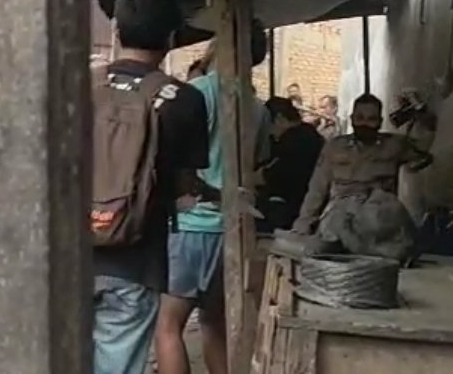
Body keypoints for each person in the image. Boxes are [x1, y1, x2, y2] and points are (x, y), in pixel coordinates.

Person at [93, 0, 209, 374]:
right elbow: (185, 188)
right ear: (172, 38)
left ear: (116, 31)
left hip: (63, 257)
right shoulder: (184, 100)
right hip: (135, 262)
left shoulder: (76, 88)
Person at [154, 22, 270, 374]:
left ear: (219, 46)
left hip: (192, 225)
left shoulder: (195, 94)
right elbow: (259, 164)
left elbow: (168, 158)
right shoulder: (258, 107)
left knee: (168, 325)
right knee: (214, 323)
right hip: (234, 229)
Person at [292, 93, 436, 236]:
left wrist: (421, 111)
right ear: (352, 119)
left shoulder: (393, 145)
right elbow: (317, 189)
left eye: (371, 119)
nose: (365, 124)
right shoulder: (335, 147)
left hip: (381, 216)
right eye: (360, 118)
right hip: (340, 218)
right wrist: (304, 223)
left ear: (380, 122)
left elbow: (424, 146)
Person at [255, 97, 324, 232]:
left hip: (292, 210)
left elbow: (270, 175)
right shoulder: (310, 134)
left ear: (279, 118)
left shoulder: (293, 141)